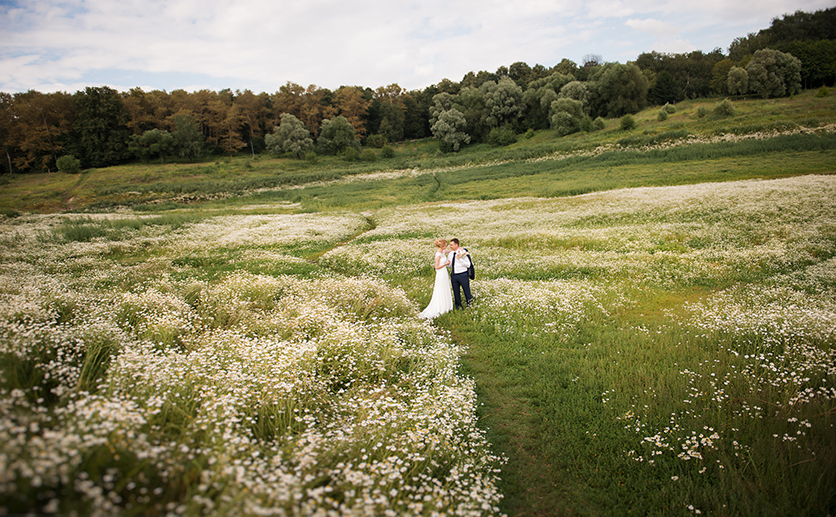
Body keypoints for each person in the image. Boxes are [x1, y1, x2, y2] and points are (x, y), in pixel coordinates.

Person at [418, 239, 454, 319]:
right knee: (441, 288)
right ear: (441, 246)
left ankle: (446, 305)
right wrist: (446, 264)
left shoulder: (443, 251)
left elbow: (448, 251)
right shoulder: (438, 255)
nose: (446, 246)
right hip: (440, 273)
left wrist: (454, 249)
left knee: (445, 288)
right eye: (445, 245)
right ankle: (441, 306)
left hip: (444, 273)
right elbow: (436, 267)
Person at [447, 238, 473, 309]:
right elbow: (449, 265)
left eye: (452, 245)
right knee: (456, 291)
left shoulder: (463, 252)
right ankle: (458, 306)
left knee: (466, 290)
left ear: (456, 245)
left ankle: (470, 304)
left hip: (462, 274)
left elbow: (468, 265)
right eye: (450, 245)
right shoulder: (450, 253)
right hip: (454, 275)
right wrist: (447, 263)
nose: (450, 246)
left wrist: (460, 259)